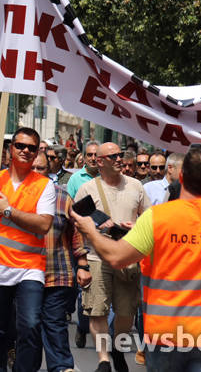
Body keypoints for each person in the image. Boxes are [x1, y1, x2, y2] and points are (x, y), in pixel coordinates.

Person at [71, 119, 201, 371]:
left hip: (165, 336)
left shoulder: (157, 218)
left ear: (180, 176)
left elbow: (116, 257)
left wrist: (90, 231)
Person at [0, 127, 55, 372]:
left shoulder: (44, 185)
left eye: (31, 147)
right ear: (10, 149)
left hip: (30, 269)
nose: (25, 151)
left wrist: (7, 210)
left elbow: (43, 224)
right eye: (20, 145)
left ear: (38, 151)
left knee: (29, 325)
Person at [74, 142, 149, 372]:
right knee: (98, 310)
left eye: (120, 155)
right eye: (113, 156)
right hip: (97, 257)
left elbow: (149, 220)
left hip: (128, 258)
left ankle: (117, 348)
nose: (119, 159)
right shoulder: (88, 189)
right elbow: (76, 226)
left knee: (126, 313)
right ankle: (104, 359)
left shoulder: (136, 186)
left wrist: (135, 225)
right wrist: (82, 263)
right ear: (100, 161)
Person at [41, 179, 91, 372]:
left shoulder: (62, 197)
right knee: (28, 325)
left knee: (55, 323)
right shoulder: (16, 194)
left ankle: (62, 367)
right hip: (23, 273)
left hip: (57, 272)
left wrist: (83, 265)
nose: (37, 172)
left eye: (41, 169)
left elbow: (76, 234)